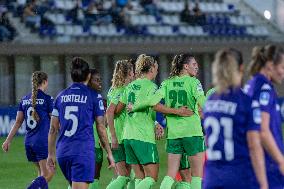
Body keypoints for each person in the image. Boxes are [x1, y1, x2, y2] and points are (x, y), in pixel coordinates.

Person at [117, 54, 192, 189]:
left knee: (140, 177)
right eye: (156, 67)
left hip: (127, 136)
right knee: (152, 177)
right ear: (151, 69)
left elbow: (119, 109)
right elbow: (155, 105)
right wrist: (177, 111)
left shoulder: (130, 86)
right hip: (143, 137)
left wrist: (156, 123)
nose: (157, 71)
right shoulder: (151, 87)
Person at [203, 48, 268, 189]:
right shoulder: (246, 102)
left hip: (211, 178)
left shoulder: (209, 101)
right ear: (241, 68)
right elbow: (254, 146)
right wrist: (263, 184)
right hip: (238, 177)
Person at [46, 57, 114, 189]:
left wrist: (50, 154)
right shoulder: (94, 96)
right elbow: (100, 127)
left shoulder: (61, 97)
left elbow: (53, 129)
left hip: (63, 152)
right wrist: (109, 153)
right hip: (82, 152)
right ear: (88, 75)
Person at [2, 71, 54, 189]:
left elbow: (18, 122)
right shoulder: (47, 99)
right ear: (45, 82)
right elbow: (54, 121)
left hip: (29, 142)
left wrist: (8, 140)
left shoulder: (24, 99)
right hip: (41, 142)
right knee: (49, 173)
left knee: (41, 175)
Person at [244, 45, 284, 188]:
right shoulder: (264, 88)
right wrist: (280, 161)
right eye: (282, 67)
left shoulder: (252, 84)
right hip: (269, 165)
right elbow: (262, 130)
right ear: (270, 65)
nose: (283, 73)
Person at [106, 60, 135, 189]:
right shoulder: (121, 90)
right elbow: (109, 111)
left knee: (126, 176)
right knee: (124, 176)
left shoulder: (114, 89)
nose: (134, 74)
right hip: (118, 136)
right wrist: (113, 136)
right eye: (133, 71)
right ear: (129, 73)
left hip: (124, 135)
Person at [87, 68, 104, 189]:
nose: (99, 83)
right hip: (93, 144)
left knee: (77, 178)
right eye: (96, 80)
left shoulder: (80, 97)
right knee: (94, 176)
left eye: (100, 80)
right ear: (88, 81)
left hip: (80, 144)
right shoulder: (97, 99)